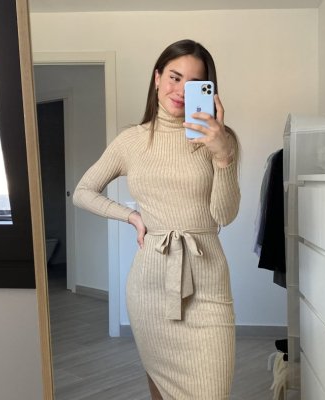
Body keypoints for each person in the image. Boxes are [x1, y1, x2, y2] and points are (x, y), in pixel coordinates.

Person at [73, 39, 241, 400]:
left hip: (208, 284)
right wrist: (131, 215)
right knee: (161, 390)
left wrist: (223, 156)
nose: (180, 91)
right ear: (157, 78)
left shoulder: (222, 141)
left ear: (207, 90)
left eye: (193, 84)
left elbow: (224, 215)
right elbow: (83, 191)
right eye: (174, 77)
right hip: (150, 286)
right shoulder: (130, 141)